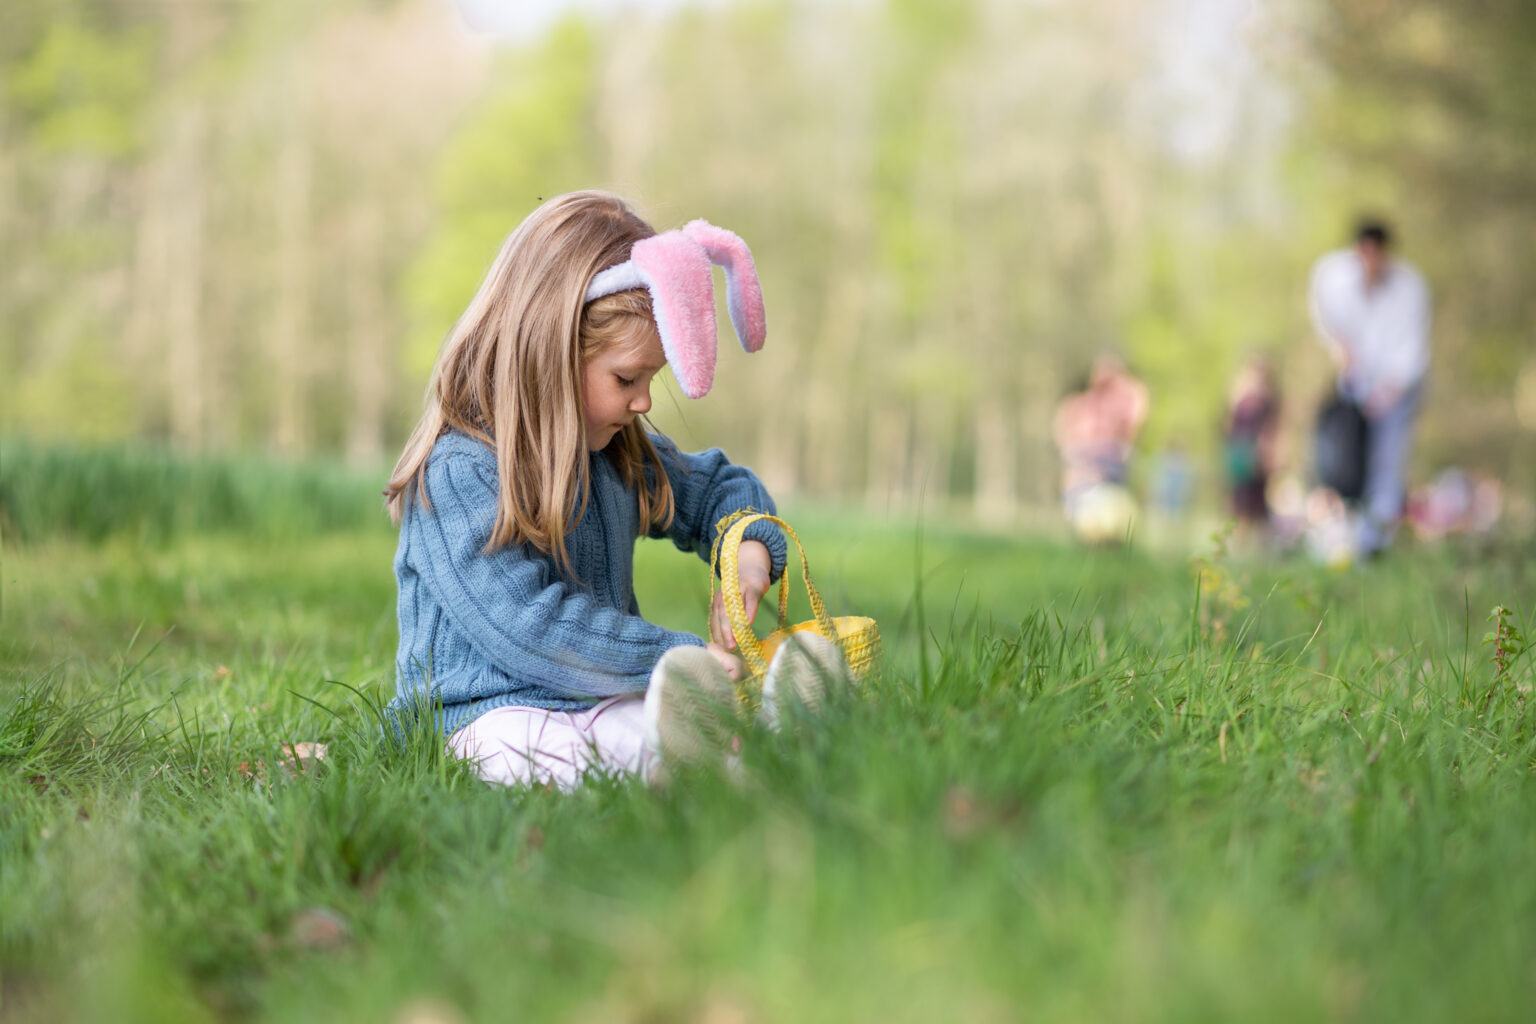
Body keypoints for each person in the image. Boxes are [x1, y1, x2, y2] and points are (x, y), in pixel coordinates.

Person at [383, 191, 851, 789]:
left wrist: (747, 549)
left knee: (636, 726)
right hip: (477, 717)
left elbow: (719, 488)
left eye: (651, 379)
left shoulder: (613, 453)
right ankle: (725, 752)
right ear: (547, 352)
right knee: (561, 750)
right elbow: (529, 630)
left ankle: (766, 737)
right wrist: (673, 658)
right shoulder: (460, 473)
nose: (644, 402)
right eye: (627, 377)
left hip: (592, 701)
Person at [1308, 219, 1432, 557]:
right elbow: (1323, 313)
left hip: (1397, 389)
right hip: (1355, 385)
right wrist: (1338, 345)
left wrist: (1389, 393)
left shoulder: (1411, 289)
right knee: (1345, 460)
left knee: (1386, 461)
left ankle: (1374, 543)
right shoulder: (1333, 275)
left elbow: (1413, 352)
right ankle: (1342, 535)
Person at [1052, 354, 1149, 544]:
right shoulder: (1081, 400)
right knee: (1083, 500)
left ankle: (1106, 538)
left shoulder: (1126, 395)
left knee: (1109, 501)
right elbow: (1064, 423)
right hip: (1085, 454)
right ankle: (1090, 536)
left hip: (1111, 455)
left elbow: (1136, 417)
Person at [1222, 355, 1280, 526]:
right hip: (1239, 450)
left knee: (1255, 495)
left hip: (1256, 452)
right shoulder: (1239, 396)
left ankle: (1254, 533)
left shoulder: (1268, 399)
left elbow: (1270, 429)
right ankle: (1237, 531)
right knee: (1239, 494)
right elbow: (1229, 423)